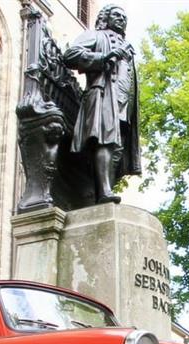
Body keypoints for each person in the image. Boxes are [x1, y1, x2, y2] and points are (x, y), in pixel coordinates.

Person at [63, 4, 141, 204]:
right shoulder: (96, 36)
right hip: (103, 95)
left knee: (117, 147)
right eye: (117, 15)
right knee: (105, 140)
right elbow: (71, 55)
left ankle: (103, 190)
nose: (122, 19)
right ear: (105, 18)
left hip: (123, 104)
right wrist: (105, 56)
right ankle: (104, 192)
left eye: (124, 17)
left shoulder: (127, 46)